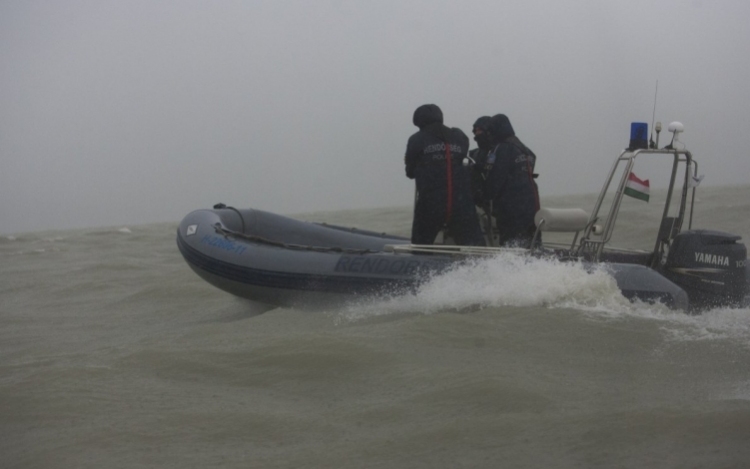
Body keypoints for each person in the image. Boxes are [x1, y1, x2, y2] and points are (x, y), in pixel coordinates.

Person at [404, 104, 485, 246]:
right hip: (462, 203)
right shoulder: (460, 136)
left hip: (431, 203)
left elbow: (410, 172)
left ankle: (420, 264)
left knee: (420, 247)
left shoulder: (416, 139)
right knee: (475, 248)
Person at [480, 114, 541, 248]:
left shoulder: (501, 148)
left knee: (510, 243)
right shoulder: (526, 150)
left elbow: (495, 178)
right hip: (533, 204)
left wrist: (483, 196)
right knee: (533, 243)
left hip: (512, 206)